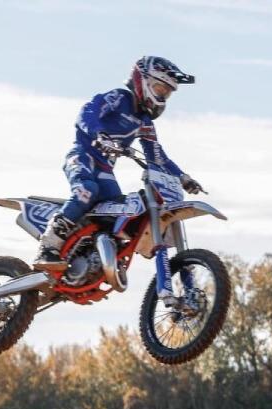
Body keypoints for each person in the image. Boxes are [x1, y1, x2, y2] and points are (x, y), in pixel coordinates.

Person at [34, 56, 204, 270]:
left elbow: (157, 156)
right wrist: (99, 134)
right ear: (143, 81)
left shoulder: (145, 122)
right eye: (160, 89)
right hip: (82, 156)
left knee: (116, 210)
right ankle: (48, 245)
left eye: (166, 93)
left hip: (105, 167)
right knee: (86, 190)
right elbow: (87, 113)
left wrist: (183, 178)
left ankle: (92, 253)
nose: (162, 96)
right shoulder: (119, 98)